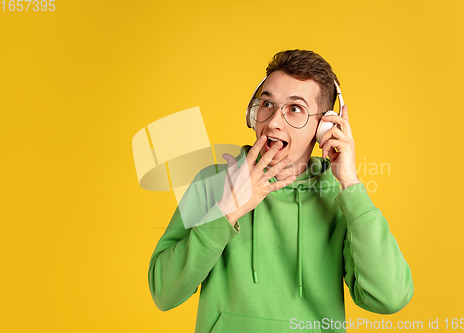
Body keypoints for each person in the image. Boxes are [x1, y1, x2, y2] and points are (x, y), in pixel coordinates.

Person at [148, 49, 413, 332]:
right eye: (267, 104)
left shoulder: (340, 198)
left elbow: (390, 298)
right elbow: (164, 293)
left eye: (295, 108)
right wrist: (228, 211)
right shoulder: (213, 183)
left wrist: (350, 183)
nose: (273, 122)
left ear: (324, 126)